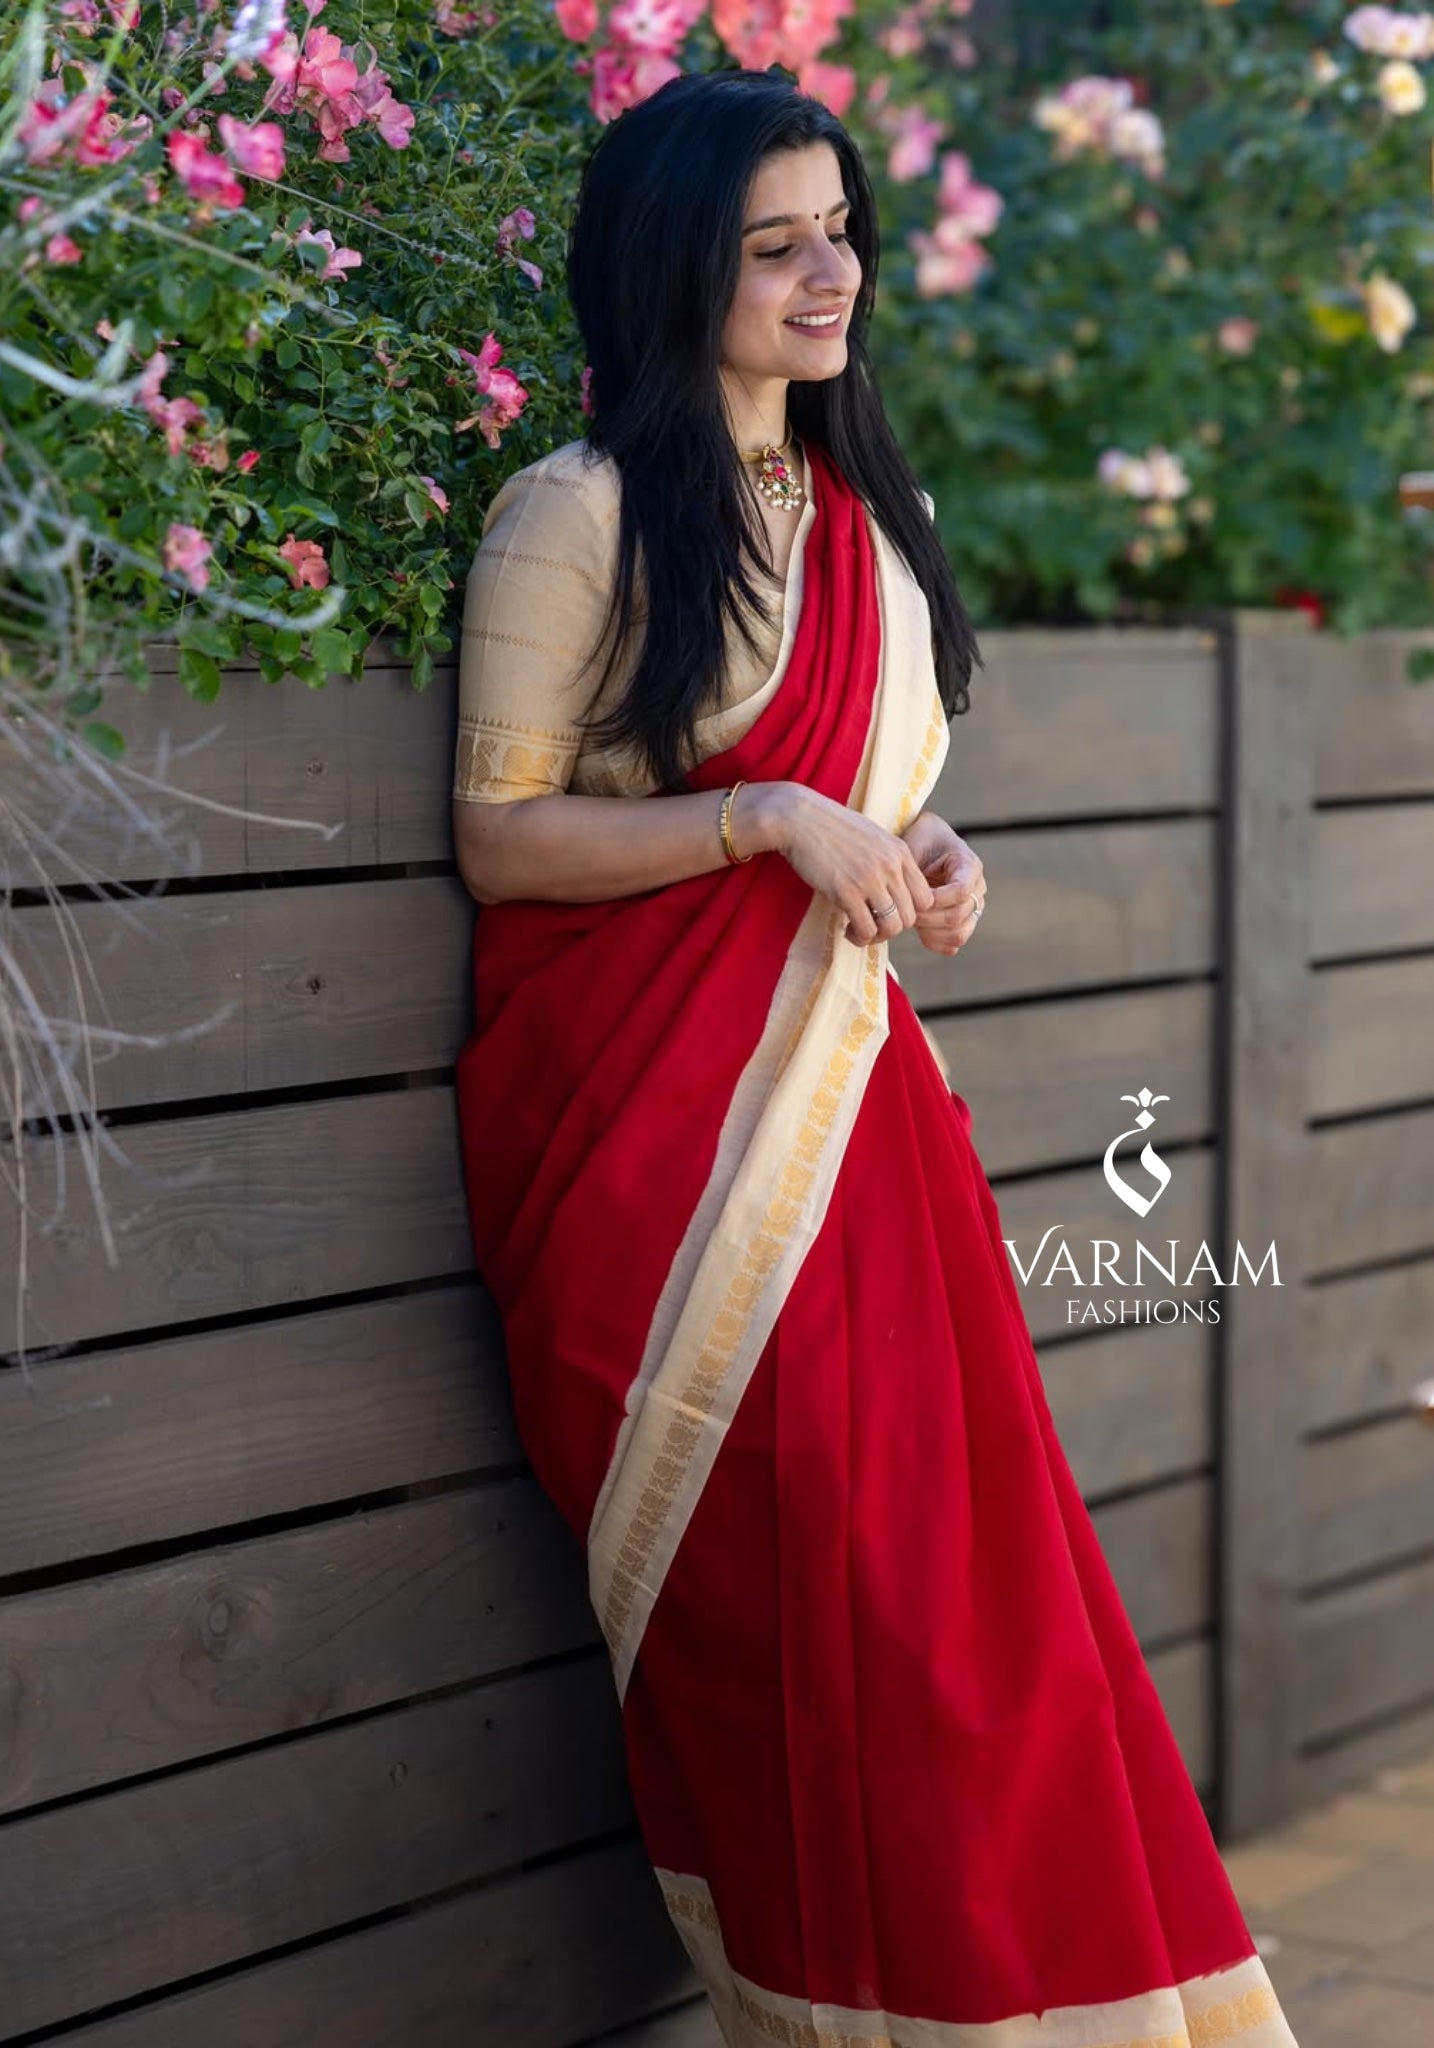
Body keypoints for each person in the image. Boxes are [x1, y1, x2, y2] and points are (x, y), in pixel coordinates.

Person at [451, 67, 1299, 2048]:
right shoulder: (573, 520)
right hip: (659, 1176)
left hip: (852, 1142)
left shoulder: (858, 521)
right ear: (676, 272)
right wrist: (761, 824)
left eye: (841, 229)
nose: (829, 273)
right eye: (775, 245)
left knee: (972, 1634)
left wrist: (913, 848)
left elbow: (856, 791)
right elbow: (507, 838)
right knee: (831, 1630)